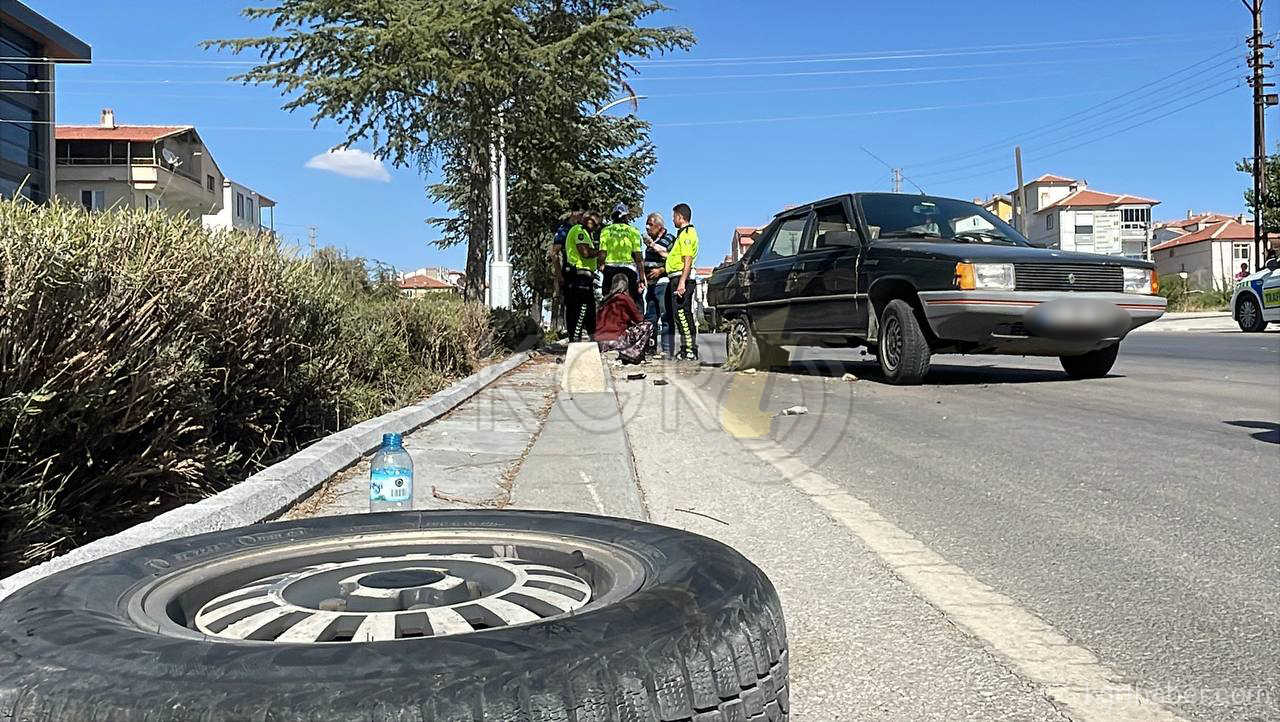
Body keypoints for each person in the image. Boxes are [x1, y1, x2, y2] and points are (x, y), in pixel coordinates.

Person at [666, 202, 700, 361]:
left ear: (680, 217)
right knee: (679, 315)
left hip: (682, 279)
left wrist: (681, 283)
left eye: (674, 217)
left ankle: (690, 350)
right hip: (677, 277)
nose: (672, 220)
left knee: (683, 314)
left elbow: (687, 259)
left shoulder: (687, 233)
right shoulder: (682, 234)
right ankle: (686, 349)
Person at [598, 203, 647, 310]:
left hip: (610, 269)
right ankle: (636, 323)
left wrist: (601, 266)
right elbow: (639, 257)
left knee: (607, 298)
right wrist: (642, 278)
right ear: (626, 217)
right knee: (633, 300)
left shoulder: (606, 230)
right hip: (629, 269)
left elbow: (602, 253)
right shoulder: (633, 231)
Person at [595, 274, 653, 364]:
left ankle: (613, 353)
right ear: (626, 285)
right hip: (615, 340)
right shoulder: (624, 298)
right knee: (648, 325)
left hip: (600, 343)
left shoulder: (605, 300)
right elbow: (640, 319)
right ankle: (630, 354)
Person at [642, 211, 675, 356]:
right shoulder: (651, 243)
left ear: (659, 226)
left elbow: (673, 259)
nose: (647, 228)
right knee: (650, 317)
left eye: (650, 224)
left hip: (663, 283)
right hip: (650, 285)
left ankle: (667, 350)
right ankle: (651, 348)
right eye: (646, 225)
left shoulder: (669, 239)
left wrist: (661, 270)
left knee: (666, 316)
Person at [564, 213, 598, 341]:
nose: (595, 226)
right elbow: (585, 252)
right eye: (594, 223)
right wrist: (600, 253)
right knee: (583, 307)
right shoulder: (580, 230)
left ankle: (582, 337)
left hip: (583, 275)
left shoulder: (586, 233)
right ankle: (576, 338)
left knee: (586, 307)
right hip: (579, 274)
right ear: (586, 219)